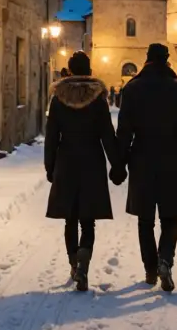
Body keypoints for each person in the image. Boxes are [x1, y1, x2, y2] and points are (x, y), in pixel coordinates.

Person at [116, 43, 177, 293]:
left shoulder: (132, 89)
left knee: (145, 220)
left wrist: (119, 164)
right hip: (172, 158)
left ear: (147, 59)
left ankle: (151, 269)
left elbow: (124, 132)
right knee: (170, 218)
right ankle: (165, 260)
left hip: (141, 158)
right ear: (167, 60)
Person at [45, 51, 123, 292]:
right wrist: (117, 164)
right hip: (92, 161)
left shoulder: (58, 98)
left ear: (69, 70)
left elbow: (51, 136)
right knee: (88, 221)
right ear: (89, 70)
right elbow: (107, 134)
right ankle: (83, 265)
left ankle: (73, 263)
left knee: (70, 218)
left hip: (66, 161)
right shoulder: (97, 99)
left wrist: (50, 165)